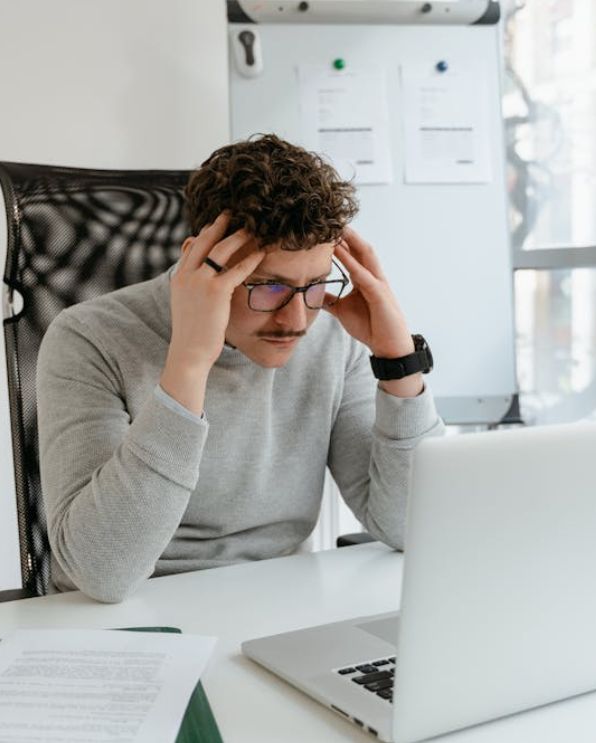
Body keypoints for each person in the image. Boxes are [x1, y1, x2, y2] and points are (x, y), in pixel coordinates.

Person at [37, 134, 445, 602]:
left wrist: (398, 363)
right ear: (199, 262)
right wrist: (189, 362)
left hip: (276, 609)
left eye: (315, 286)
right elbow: (101, 573)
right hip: (129, 619)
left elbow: (412, 529)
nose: (296, 321)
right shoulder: (90, 338)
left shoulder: (333, 336)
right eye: (268, 287)